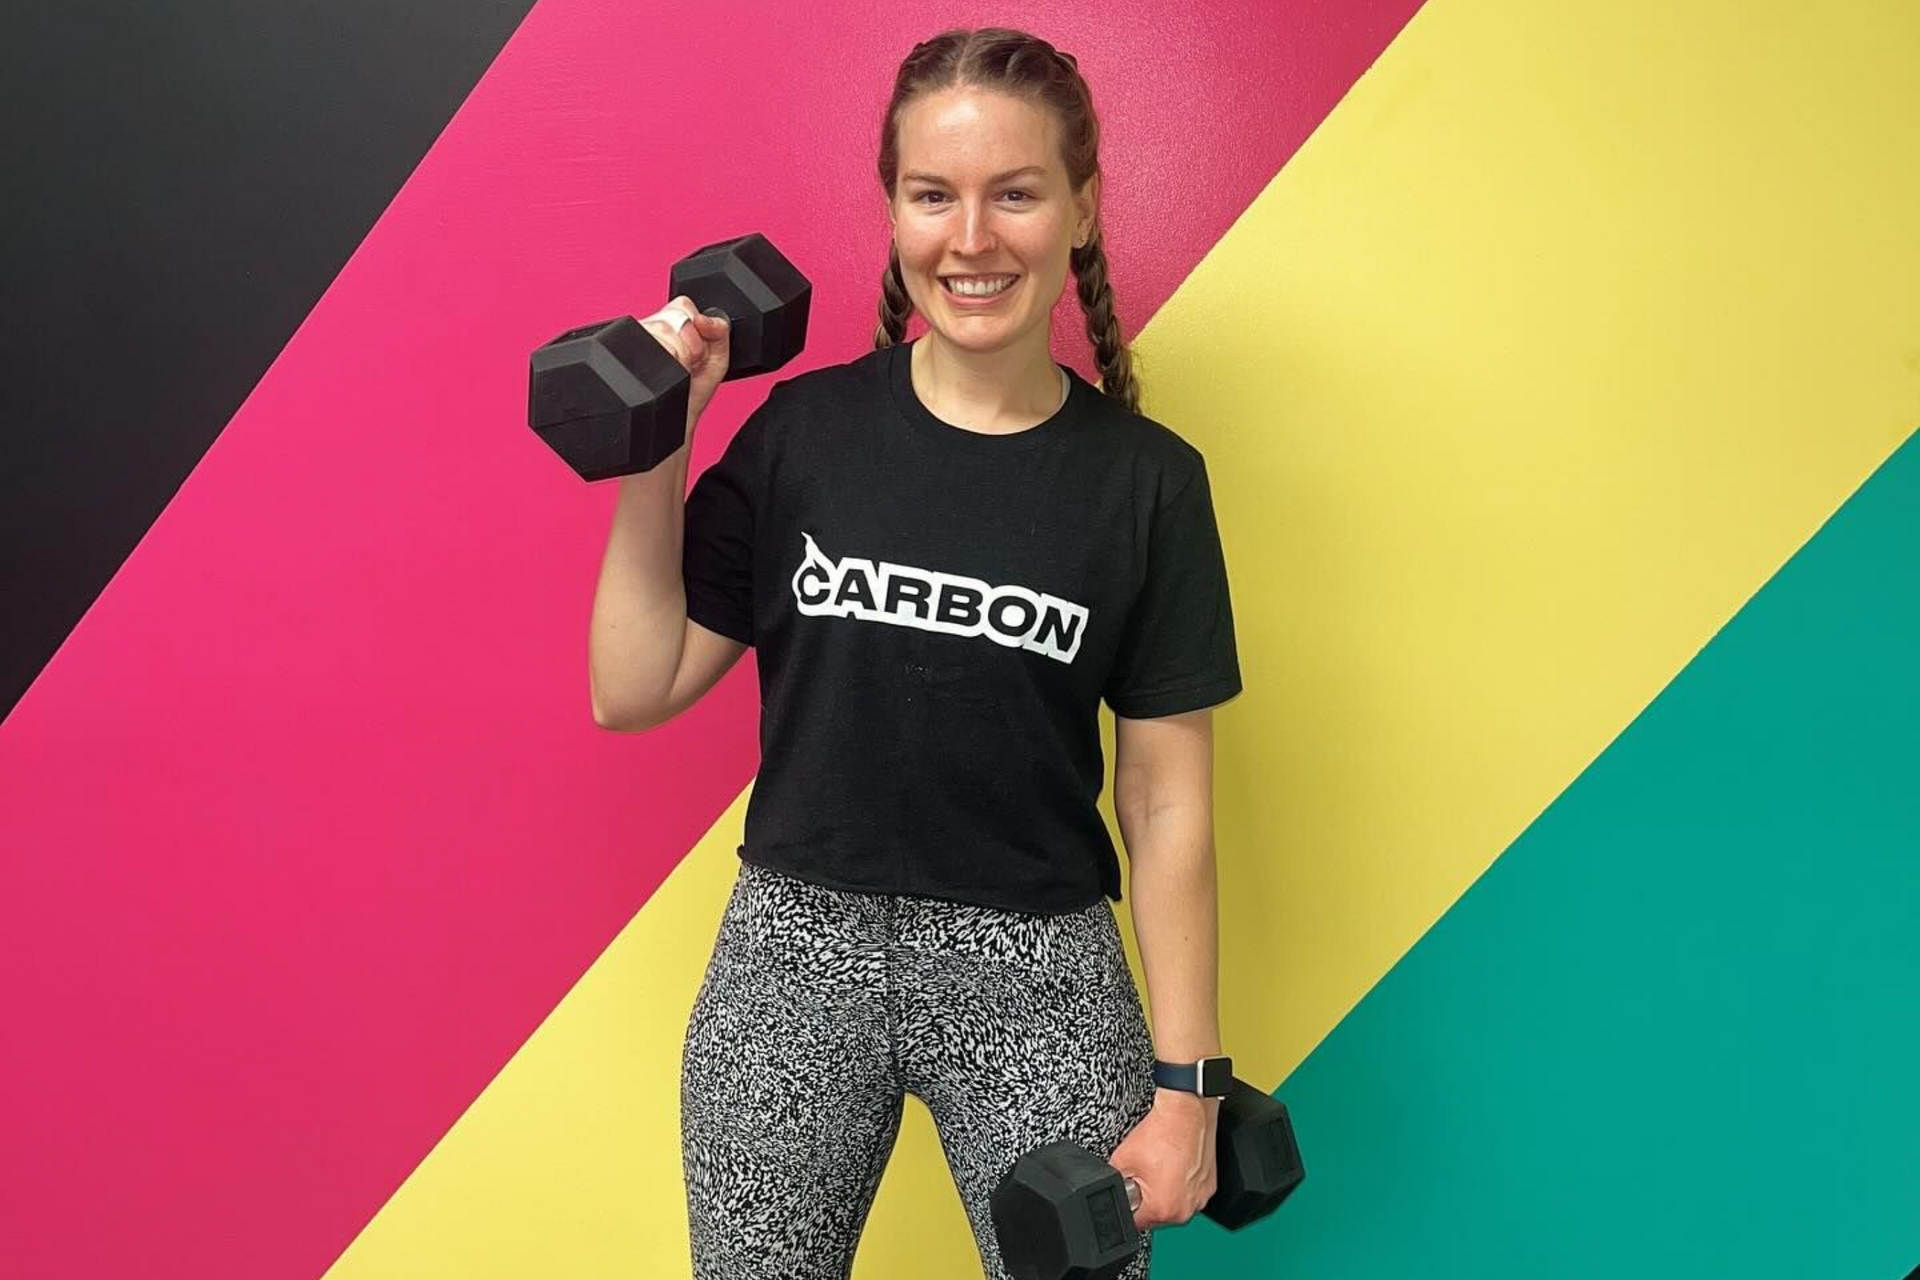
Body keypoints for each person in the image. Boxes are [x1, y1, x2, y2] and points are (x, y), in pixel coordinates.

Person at [587, 27, 1243, 1280]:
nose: (972, 238)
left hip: (1036, 966)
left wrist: (1188, 1083)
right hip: (794, 953)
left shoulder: (1148, 484)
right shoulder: (804, 437)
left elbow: (1165, 800)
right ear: (893, 210)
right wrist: (662, 434)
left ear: (1083, 206)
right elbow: (633, 684)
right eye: (933, 195)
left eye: (1016, 192)